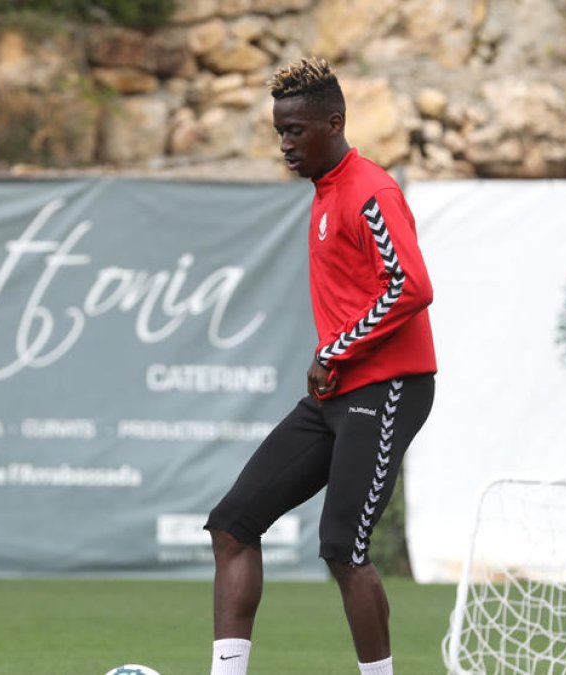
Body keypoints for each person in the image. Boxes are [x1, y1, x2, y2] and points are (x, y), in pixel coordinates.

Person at [203, 57, 436, 675]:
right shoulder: (326, 190)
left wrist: (334, 350)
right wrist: (336, 359)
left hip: (388, 389)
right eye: (280, 130)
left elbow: (411, 286)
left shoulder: (371, 189)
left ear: (334, 124)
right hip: (338, 392)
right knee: (232, 523)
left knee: (343, 548)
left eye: (297, 131)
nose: (285, 143)